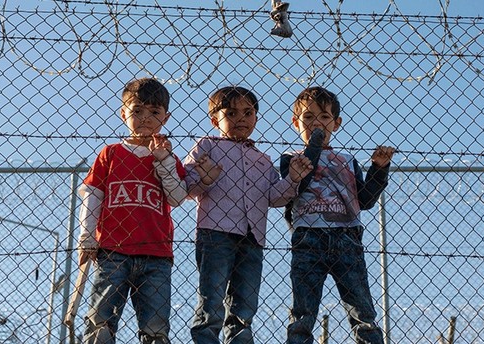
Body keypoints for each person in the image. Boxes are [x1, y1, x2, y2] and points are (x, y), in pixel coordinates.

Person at [76, 77, 220, 344]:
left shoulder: (169, 158)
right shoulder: (111, 154)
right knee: (101, 322)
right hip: (113, 250)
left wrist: (163, 161)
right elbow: (93, 194)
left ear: (165, 117)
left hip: (156, 255)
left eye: (154, 112)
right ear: (124, 114)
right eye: (137, 110)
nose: (145, 118)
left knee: (155, 328)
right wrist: (86, 236)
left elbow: (177, 197)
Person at [183, 85, 313, 344]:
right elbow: (187, 186)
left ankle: (240, 340)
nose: (241, 118)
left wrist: (293, 179)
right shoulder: (207, 146)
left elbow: (274, 196)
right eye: (231, 113)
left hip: (252, 237)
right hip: (215, 234)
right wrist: (205, 178)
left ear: (255, 117)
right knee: (212, 297)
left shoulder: (262, 159)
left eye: (248, 112)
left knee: (245, 301)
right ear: (214, 120)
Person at [280, 86, 395, 344]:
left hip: (347, 239)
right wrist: (314, 147)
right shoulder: (291, 158)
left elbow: (365, 200)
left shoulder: (347, 159)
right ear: (296, 123)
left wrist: (378, 169)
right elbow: (299, 183)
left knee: (362, 310)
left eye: (323, 117)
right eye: (308, 118)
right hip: (308, 239)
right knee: (303, 313)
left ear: (337, 123)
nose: (316, 123)